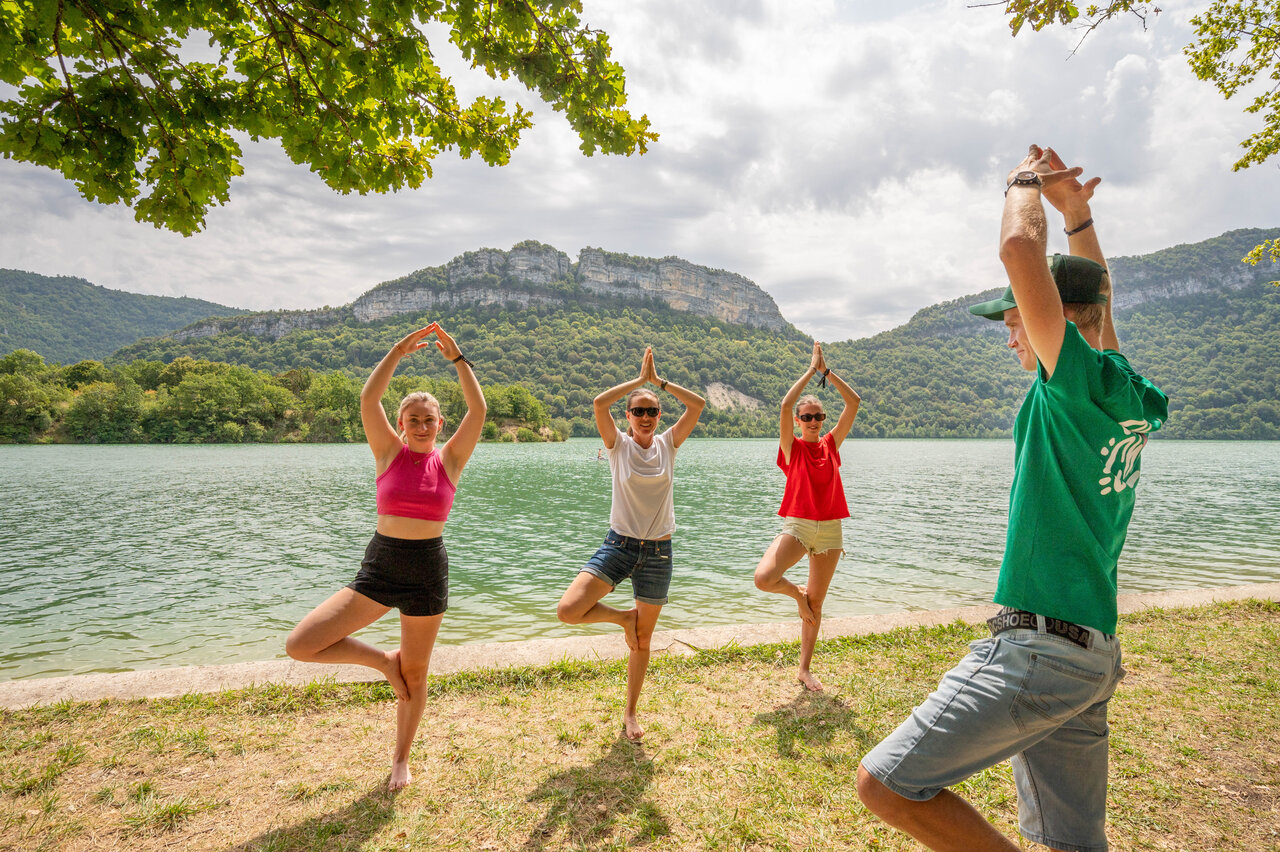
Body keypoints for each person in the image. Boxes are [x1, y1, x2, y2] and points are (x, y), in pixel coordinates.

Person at [857, 145, 1169, 852]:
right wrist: (1078, 216)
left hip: (1042, 649)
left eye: (1014, 319)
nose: (1009, 335)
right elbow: (1100, 302)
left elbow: (1017, 249)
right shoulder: (1123, 390)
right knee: (1072, 842)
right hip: (1091, 654)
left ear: (1054, 315)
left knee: (884, 784)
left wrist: (1024, 183)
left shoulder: (1070, 386)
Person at [285, 323, 485, 792]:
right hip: (381, 566)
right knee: (301, 644)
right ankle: (383, 663)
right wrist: (397, 350)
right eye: (413, 419)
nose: (421, 426)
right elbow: (367, 399)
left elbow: (478, 409)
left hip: (428, 571)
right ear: (401, 424)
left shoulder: (450, 460)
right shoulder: (387, 453)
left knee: (417, 672)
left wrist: (458, 360)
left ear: (440, 425)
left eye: (429, 420)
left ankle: (400, 759)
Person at [556, 346, 705, 741]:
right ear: (628, 416)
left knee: (642, 641)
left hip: (658, 552)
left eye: (651, 410)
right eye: (638, 411)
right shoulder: (617, 445)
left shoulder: (669, 444)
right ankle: (624, 617)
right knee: (569, 610)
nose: (644, 417)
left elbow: (698, 405)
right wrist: (639, 380)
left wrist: (660, 383)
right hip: (619, 545)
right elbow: (598, 403)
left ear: (660, 415)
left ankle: (631, 713)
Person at [753, 341, 860, 692]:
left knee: (817, 603)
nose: (814, 422)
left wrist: (827, 372)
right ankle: (797, 595)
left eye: (819, 417)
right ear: (799, 421)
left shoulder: (830, 444)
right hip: (798, 526)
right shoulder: (792, 448)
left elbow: (854, 402)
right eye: (808, 417)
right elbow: (785, 405)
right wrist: (811, 370)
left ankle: (804, 669)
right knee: (764, 577)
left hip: (830, 530)